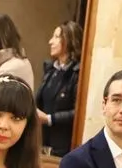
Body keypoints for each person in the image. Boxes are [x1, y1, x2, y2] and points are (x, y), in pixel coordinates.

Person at [35, 21, 83, 157]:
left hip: (63, 145)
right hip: (42, 140)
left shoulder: (78, 73)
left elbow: (79, 113)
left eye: (56, 37)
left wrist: (50, 119)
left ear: (69, 40)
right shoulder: (51, 70)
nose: (50, 42)